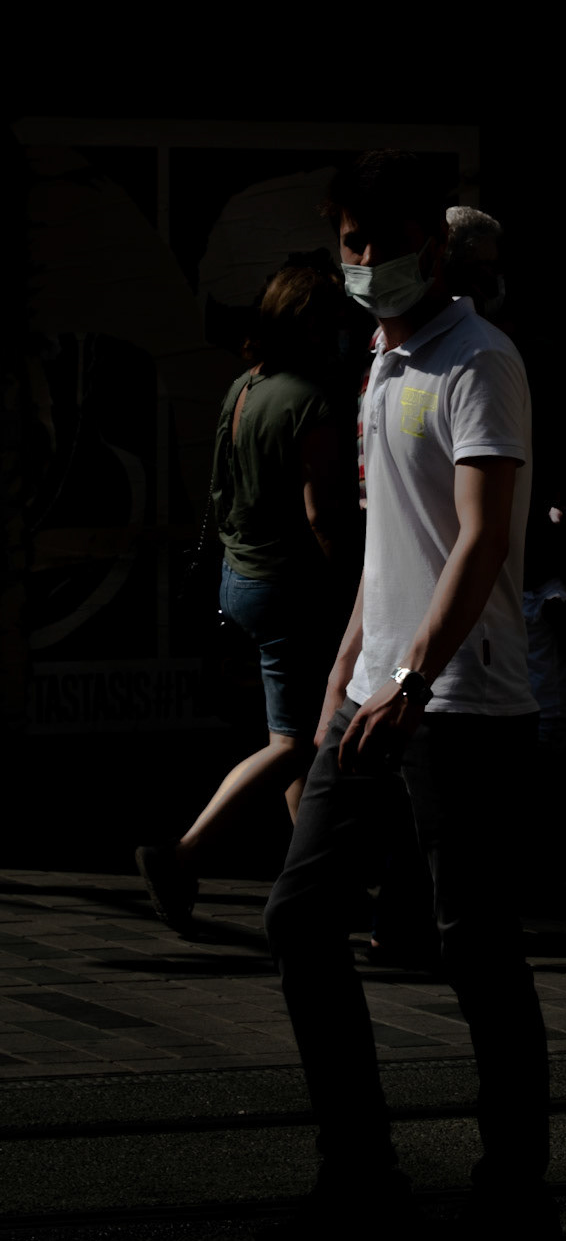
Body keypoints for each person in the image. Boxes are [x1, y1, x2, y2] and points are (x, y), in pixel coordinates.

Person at [255, 150, 554, 1241]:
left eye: (384, 239)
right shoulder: (378, 363)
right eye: (352, 240)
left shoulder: (479, 359)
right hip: (373, 693)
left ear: (434, 244)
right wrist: (347, 670)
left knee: (476, 948)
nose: (366, 258)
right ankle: (361, 1175)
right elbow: (393, 545)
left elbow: (480, 539)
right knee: (300, 917)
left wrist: (415, 679)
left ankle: (513, 1191)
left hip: (460, 702)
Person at [135, 256, 357, 932]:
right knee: (293, 743)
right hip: (289, 587)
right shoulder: (310, 401)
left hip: (242, 578)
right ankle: (183, 854)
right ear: (311, 324)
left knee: (292, 736)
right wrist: (353, 588)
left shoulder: (243, 387)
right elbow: (323, 517)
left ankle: (321, 881)